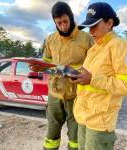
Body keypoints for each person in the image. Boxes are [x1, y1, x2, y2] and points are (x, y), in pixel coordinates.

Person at [72, 2, 127, 150]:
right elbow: (88, 73)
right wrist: (70, 72)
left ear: (109, 23)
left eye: (94, 25)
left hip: (100, 123)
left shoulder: (120, 46)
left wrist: (92, 79)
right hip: (84, 117)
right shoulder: (94, 49)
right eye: (89, 27)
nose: (91, 31)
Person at [30, 1, 93, 150]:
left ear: (70, 17)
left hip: (76, 95)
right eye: (59, 23)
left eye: (65, 21)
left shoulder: (86, 38)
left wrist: (74, 70)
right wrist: (39, 67)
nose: (63, 26)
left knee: (75, 136)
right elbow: (47, 63)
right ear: (54, 22)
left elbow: (93, 65)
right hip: (54, 95)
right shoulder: (51, 39)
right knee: (51, 133)